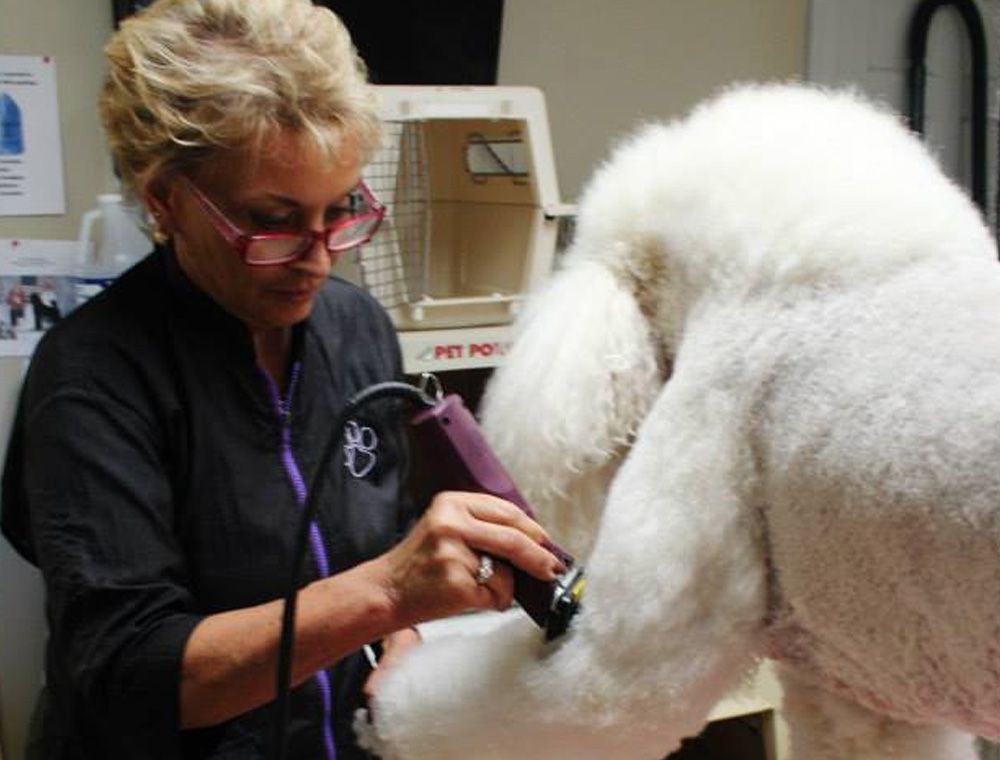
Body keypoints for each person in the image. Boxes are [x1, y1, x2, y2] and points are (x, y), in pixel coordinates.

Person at [0, 1, 565, 758]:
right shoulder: (94, 377)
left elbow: (373, 533)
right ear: (165, 199)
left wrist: (401, 627)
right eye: (273, 221)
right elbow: (132, 676)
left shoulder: (355, 326)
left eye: (341, 212)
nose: (319, 257)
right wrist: (389, 592)